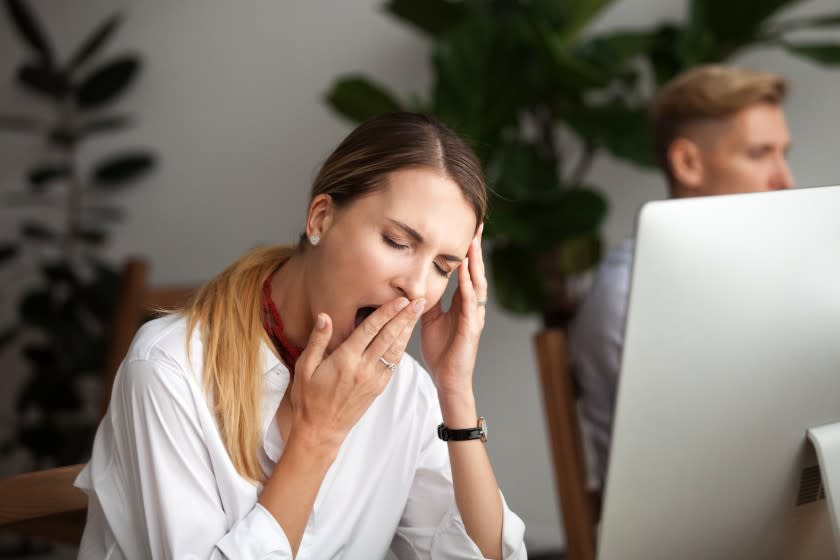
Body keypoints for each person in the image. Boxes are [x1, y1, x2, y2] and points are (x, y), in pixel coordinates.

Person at [75, 112, 527, 559]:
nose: (416, 285)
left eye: (441, 267)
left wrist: (455, 391)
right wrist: (317, 436)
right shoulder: (168, 369)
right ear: (321, 219)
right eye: (397, 242)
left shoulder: (405, 389)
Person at [568, 65, 794, 489]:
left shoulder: (769, 278)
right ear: (688, 163)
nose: (784, 180)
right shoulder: (630, 298)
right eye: (759, 154)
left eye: (784, 154)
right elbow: (689, 474)